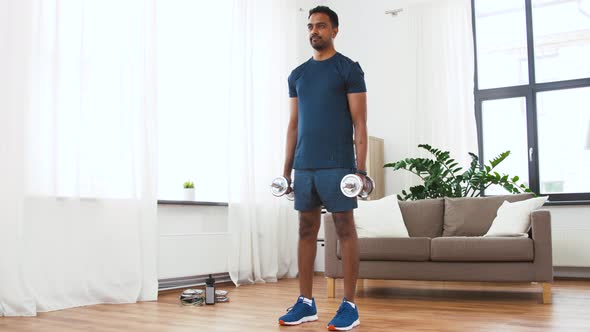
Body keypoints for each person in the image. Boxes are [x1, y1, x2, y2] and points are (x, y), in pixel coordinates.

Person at [278, 5, 367, 331]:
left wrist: (360, 170)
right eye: (310, 26)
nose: (314, 31)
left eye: (321, 26)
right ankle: (305, 304)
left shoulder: (348, 70)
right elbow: (293, 125)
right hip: (305, 167)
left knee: (345, 229)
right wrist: (286, 171)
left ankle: (350, 306)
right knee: (305, 230)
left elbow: (360, 123)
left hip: (338, 166)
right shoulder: (297, 75)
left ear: (334, 30)